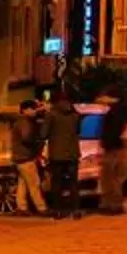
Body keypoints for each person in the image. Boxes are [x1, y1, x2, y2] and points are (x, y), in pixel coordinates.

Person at [44, 88, 82, 218]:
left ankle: (58, 211)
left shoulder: (51, 114)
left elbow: (44, 133)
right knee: (73, 183)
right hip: (73, 154)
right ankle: (75, 210)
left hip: (57, 154)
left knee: (57, 183)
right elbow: (78, 131)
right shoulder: (75, 115)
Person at [99, 90, 127, 215]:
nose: (102, 100)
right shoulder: (115, 112)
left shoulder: (114, 113)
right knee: (109, 178)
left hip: (113, 149)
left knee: (111, 178)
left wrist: (107, 142)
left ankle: (115, 205)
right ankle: (110, 204)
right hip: (113, 148)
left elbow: (114, 131)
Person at [10, 95, 48, 215]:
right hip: (25, 157)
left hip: (20, 158)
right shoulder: (24, 122)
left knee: (23, 184)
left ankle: (21, 208)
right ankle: (42, 208)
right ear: (25, 110)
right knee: (34, 184)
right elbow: (27, 138)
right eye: (32, 109)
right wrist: (37, 143)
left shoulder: (20, 121)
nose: (34, 111)